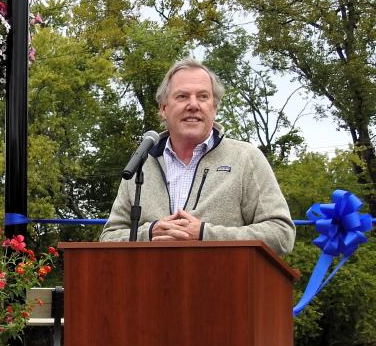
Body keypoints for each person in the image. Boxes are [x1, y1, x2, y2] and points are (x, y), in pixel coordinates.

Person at [100, 58, 296, 256]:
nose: (193, 105)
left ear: (214, 107)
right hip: (148, 285)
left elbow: (281, 234)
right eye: (182, 96)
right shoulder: (141, 164)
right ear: (163, 108)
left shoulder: (246, 158)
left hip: (223, 285)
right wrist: (149, 233)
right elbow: (108, 238)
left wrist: (205, 234)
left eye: (203, 97)